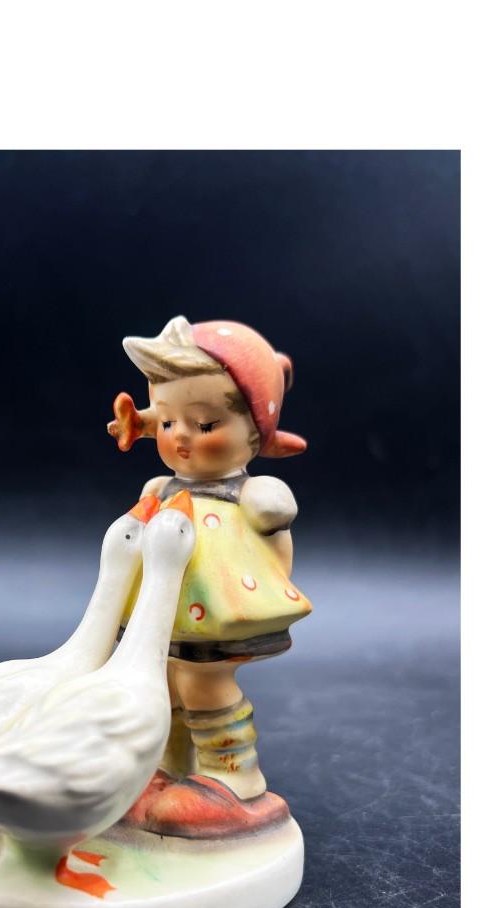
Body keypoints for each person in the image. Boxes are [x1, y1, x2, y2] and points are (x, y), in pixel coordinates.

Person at [107, 315, 312, 838]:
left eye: (203, 425)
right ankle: (167, 768)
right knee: (161, 686)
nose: (180, 438)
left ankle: (233, 775)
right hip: (161, 614)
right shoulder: (158, 489)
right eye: (167, 422)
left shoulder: (254, 495)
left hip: (216, 616)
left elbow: (277, 535)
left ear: (254, 432)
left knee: (203, 685)